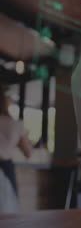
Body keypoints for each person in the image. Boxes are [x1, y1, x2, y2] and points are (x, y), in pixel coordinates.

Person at [0, 85, 32, 213]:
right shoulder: (16, 124)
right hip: (6, 168)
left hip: (6, 168)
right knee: (8, 213)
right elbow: (28, 153)